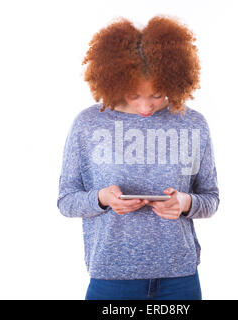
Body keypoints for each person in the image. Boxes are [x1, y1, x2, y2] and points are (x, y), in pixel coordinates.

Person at [57, 15, 220, 300]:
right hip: (111, 277)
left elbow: (211, 199)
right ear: (115, 81)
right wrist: (102, 199)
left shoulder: (193, 124)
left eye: (157, 95)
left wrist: (185, 202)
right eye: (134, 95)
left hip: (179, 277)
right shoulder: (89, 124)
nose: (146, 106)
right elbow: (66, 200)